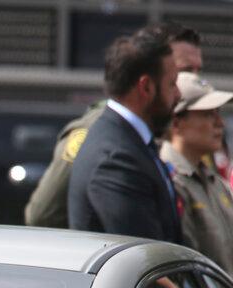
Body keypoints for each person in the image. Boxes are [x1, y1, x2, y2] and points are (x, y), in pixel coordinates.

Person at [26, 22, 201, 228]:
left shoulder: (147, 135)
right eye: (178, 78)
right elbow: (43, 214)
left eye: (197, 72)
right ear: (145, 85)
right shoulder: (110, 148)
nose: (184, 90)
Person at [68, 27, 184, 242]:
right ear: (146, 87)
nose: (178, 94)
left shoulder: (131, 143)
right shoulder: (117, 159)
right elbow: (146, 261)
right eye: (172, 84)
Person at [161, 72, 233, 274]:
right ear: (176, 122)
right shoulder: (169, 180)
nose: (220, 123)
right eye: (208, 114)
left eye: (218, 113)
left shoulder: (213, 181)